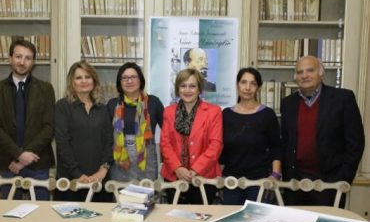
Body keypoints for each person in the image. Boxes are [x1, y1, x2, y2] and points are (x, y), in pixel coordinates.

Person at [280, 56, 365, 207]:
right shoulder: (288, 103)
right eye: (300, 72)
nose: (304, 75)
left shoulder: (343, 99)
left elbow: (356, 143)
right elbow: (285, 142)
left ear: (321, 73)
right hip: (295, 184)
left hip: (330, 183)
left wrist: (343, 177)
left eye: (310, 70)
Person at [0, 39, 55, 200]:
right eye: (18, 56)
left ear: (34, 62)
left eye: (28, 58)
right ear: (10, 58)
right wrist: (18, 154)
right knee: (10, 213)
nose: (22, 62)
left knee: (41, 212)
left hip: (37, 161)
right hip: (7, 161)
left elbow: (49, 127)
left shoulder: (46, 89)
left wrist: (24, 158)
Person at [220, 67, 282, 205]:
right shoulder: (226, 115)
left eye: (253, 83)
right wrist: (219, 179)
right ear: (237, 85)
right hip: (231, 183)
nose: (247, 87)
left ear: (258, 87)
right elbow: (223, 151)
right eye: (243, 82)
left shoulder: (267, 114)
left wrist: (275, 175)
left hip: (260, 182)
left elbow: (276, 148)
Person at [160, 68, 223, 204]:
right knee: (175, 220)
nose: (187, 90)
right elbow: (165, 144)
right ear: (178, 89)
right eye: (183, 86)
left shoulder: (214, 111)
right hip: (175, 176)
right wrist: (177, 168)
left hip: (204, 177)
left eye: (192, 86)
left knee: (201, 220)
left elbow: (215, 145)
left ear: (199, 89)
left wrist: (195, 170)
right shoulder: (169, 112)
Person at [54, 61, 114, 202]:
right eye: (78, 78)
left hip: (100, 179)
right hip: (71, 180)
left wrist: (103, 169)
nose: (84, 81)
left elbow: (109, 140)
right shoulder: (63, 106)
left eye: (87, 77)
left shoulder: (102, 108)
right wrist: (78, 174)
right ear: (72, 82)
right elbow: (62, 142)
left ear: (94, 80)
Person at [107, 62, 164, 182]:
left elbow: (168, 131)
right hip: (121, 161)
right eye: (125, 78)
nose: (129, 81)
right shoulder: (112, 104)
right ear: (119, 82)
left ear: (140, 80)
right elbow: (106, 136)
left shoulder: (153, 102)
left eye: (133, 77)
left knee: (146, 197)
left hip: (147, 159)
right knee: (121, 197)